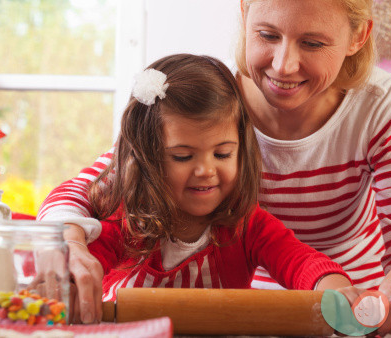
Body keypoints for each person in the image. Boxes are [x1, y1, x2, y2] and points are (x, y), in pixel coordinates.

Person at [38, 0, 391, 334]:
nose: (284, 65)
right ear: (244, 12)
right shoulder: (210, 102)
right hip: (241, 314)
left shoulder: (383, 108)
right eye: (267, 35)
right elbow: (89, 188)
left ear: (358, 37)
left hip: (343, 313)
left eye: (313, 43)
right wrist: (70, 245)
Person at [64, 53, 352, 323]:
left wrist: (334, 288)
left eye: (222, 154)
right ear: (148, 156)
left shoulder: (247, 225)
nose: (205, 171)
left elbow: (299, 261)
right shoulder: (126, 222)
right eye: (183, 156)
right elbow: (80, 268)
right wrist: (71, 284)